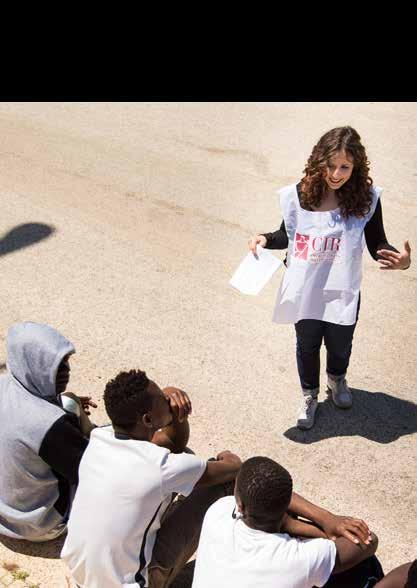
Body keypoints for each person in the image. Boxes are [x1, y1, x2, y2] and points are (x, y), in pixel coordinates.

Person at [248, 126, 411, 429]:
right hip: (305, 289)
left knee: (340, 345)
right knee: (307, 345)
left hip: (342, 289)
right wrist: (264, 239)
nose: (336, 173)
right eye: (331, 165)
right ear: (318, 161)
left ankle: (337, 379)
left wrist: (399, 261)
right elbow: (287, 234)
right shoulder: (299, 193)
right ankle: (309, 394)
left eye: (345, 167)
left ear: (356, 166)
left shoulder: (366, 199)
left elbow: (377, 244)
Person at [61, 369, 242, 588]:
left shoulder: (100, 438)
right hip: (134, 583)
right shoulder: (160, 466)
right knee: (223, 482)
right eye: (163, 399)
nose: (169, 399)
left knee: (185, 465)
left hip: (82, 576)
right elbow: (232, 467)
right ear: (147, 419)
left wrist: (175, 415)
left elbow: (173, 445)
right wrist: (226, 455)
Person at [192, 456, 381, 588]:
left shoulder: (218, 511)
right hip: (287, 530)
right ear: (285, 508)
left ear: (239, 504)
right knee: (364, 566)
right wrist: (325, 520)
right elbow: (368, 540)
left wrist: (318, 520)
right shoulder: (299, 559)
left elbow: (263, 491)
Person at [0, 321, 96, 541]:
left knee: (68, 401)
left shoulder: (3, 384)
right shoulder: (50, 424)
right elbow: (92, 474)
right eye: (55, 365)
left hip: (4, 511)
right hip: (39, 524)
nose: (67, 371)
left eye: (66, 362)